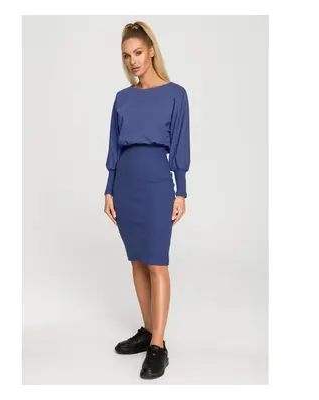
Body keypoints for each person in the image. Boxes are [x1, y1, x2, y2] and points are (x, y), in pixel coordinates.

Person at [103, 21, 191, 380]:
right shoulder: (122, 98)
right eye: (127, 56)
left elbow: (181, 144)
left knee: (157, 263)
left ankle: (158, 345)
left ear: (151, 50)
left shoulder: (175, 94)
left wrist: (181, 190)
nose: (133, 61)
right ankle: (148, 329)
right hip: (125, 184)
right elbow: (114, 146)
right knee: (137, 261)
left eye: (138, 52)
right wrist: (109, 189)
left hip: (156, 183)